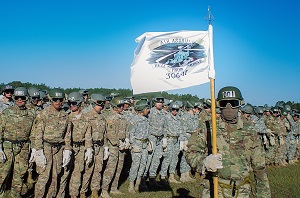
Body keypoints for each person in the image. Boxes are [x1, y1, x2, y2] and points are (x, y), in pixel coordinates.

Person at [185, 86, 271, 197]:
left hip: (241, 191)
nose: (229, 108)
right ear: (218, 105)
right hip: (215, 188)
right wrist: (204, 162)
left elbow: (260, 167)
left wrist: (263, 194)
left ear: (240, 104)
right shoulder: (208, 127)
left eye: (233, 103)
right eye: (224, 103)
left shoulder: (250, 130)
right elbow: (191, 153)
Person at [32, 88, 72, 198]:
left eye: (60, 100)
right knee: (44, 177)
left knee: (55, 176)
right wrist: (38, 151)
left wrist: (67, 149)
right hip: (46, 148)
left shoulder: (65, 116)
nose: (58, 102)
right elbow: (38, 134)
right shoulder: (43, 115)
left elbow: (67, 135)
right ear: (51, 100)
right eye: (55, 100)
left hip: (59, 149)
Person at [0, 87, 36, 197]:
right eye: (17, 98)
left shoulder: (31, 114)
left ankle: (15, 195)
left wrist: (34, 148)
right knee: (3, 174)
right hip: (7, 147)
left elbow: (33, 133)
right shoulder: (6, 113)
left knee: (19, 175)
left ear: (26, 99)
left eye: (22, 97)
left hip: (23, 148)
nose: (19, 100)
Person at [101, 97, 129, 198]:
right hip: (113, 146)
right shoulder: (111, 118)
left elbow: (126, 130)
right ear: (114, 107)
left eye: (122, 106)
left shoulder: (123, 117)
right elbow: (110, 134)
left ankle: (114, 188)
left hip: (122, 146)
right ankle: (104, 190)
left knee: (119, 168)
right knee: (110, 169)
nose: (122, 108)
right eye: (119, 106)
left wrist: (127, 139)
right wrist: (118, 143)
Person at [67, 92, 93, 198]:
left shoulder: (86, 119)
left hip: (80, 148)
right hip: (68, 148)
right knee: (65, 172)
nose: (71, 106)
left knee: (77, 172)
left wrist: (89, 148)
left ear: (79, 103)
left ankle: (74, 194)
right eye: (70, 103)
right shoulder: (67, 117)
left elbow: (88, 135)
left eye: (73, 103)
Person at [82, 93, 107, 198]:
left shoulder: (102, 117)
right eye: (99, 104)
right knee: (88, 169)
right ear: (93, 104)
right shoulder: (87, 116)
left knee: (98, 169)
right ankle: (83, 191)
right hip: (90, 147)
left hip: (100, 146)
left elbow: (104, 133)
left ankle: (95, 191)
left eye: (102, 105)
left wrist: (105, 146)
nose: (100, 107)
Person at [128, 100, 150, 193]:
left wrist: (149, 143)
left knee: (143, 165)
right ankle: (131, 184)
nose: (148, 110)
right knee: (135, 165)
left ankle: (138, 183)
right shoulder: (134, 120)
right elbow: (131, 134)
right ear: (142, 109)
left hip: (144, 145)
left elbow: (147, 132)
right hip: (137, 145)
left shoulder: (146, 119)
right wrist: (133, 145)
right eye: (147, 109)